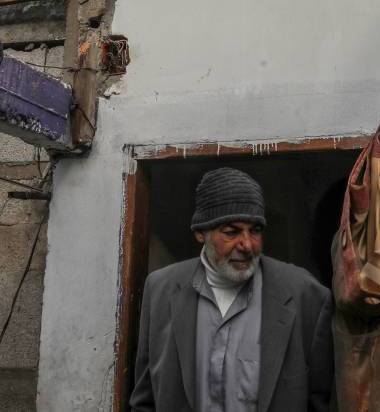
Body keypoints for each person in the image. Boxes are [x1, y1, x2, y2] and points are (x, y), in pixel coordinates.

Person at [129, 167, 334, 412]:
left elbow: (322, 402)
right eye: (231, 232)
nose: (247, 244)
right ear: (200, 234)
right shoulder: (160, 290)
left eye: (255, 230)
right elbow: (144, 401)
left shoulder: (305, 296)